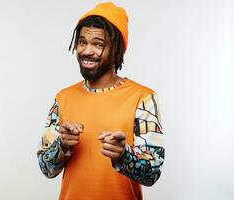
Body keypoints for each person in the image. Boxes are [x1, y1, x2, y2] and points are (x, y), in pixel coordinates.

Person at [37, 2, 164, 200]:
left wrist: (124, 155)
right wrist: (62, 146)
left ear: (117, 50)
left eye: (98, 44)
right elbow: (46, 168)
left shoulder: (143, 98)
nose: (87, 51)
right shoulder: (63, 98)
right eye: (82, 42)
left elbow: (152, 173)